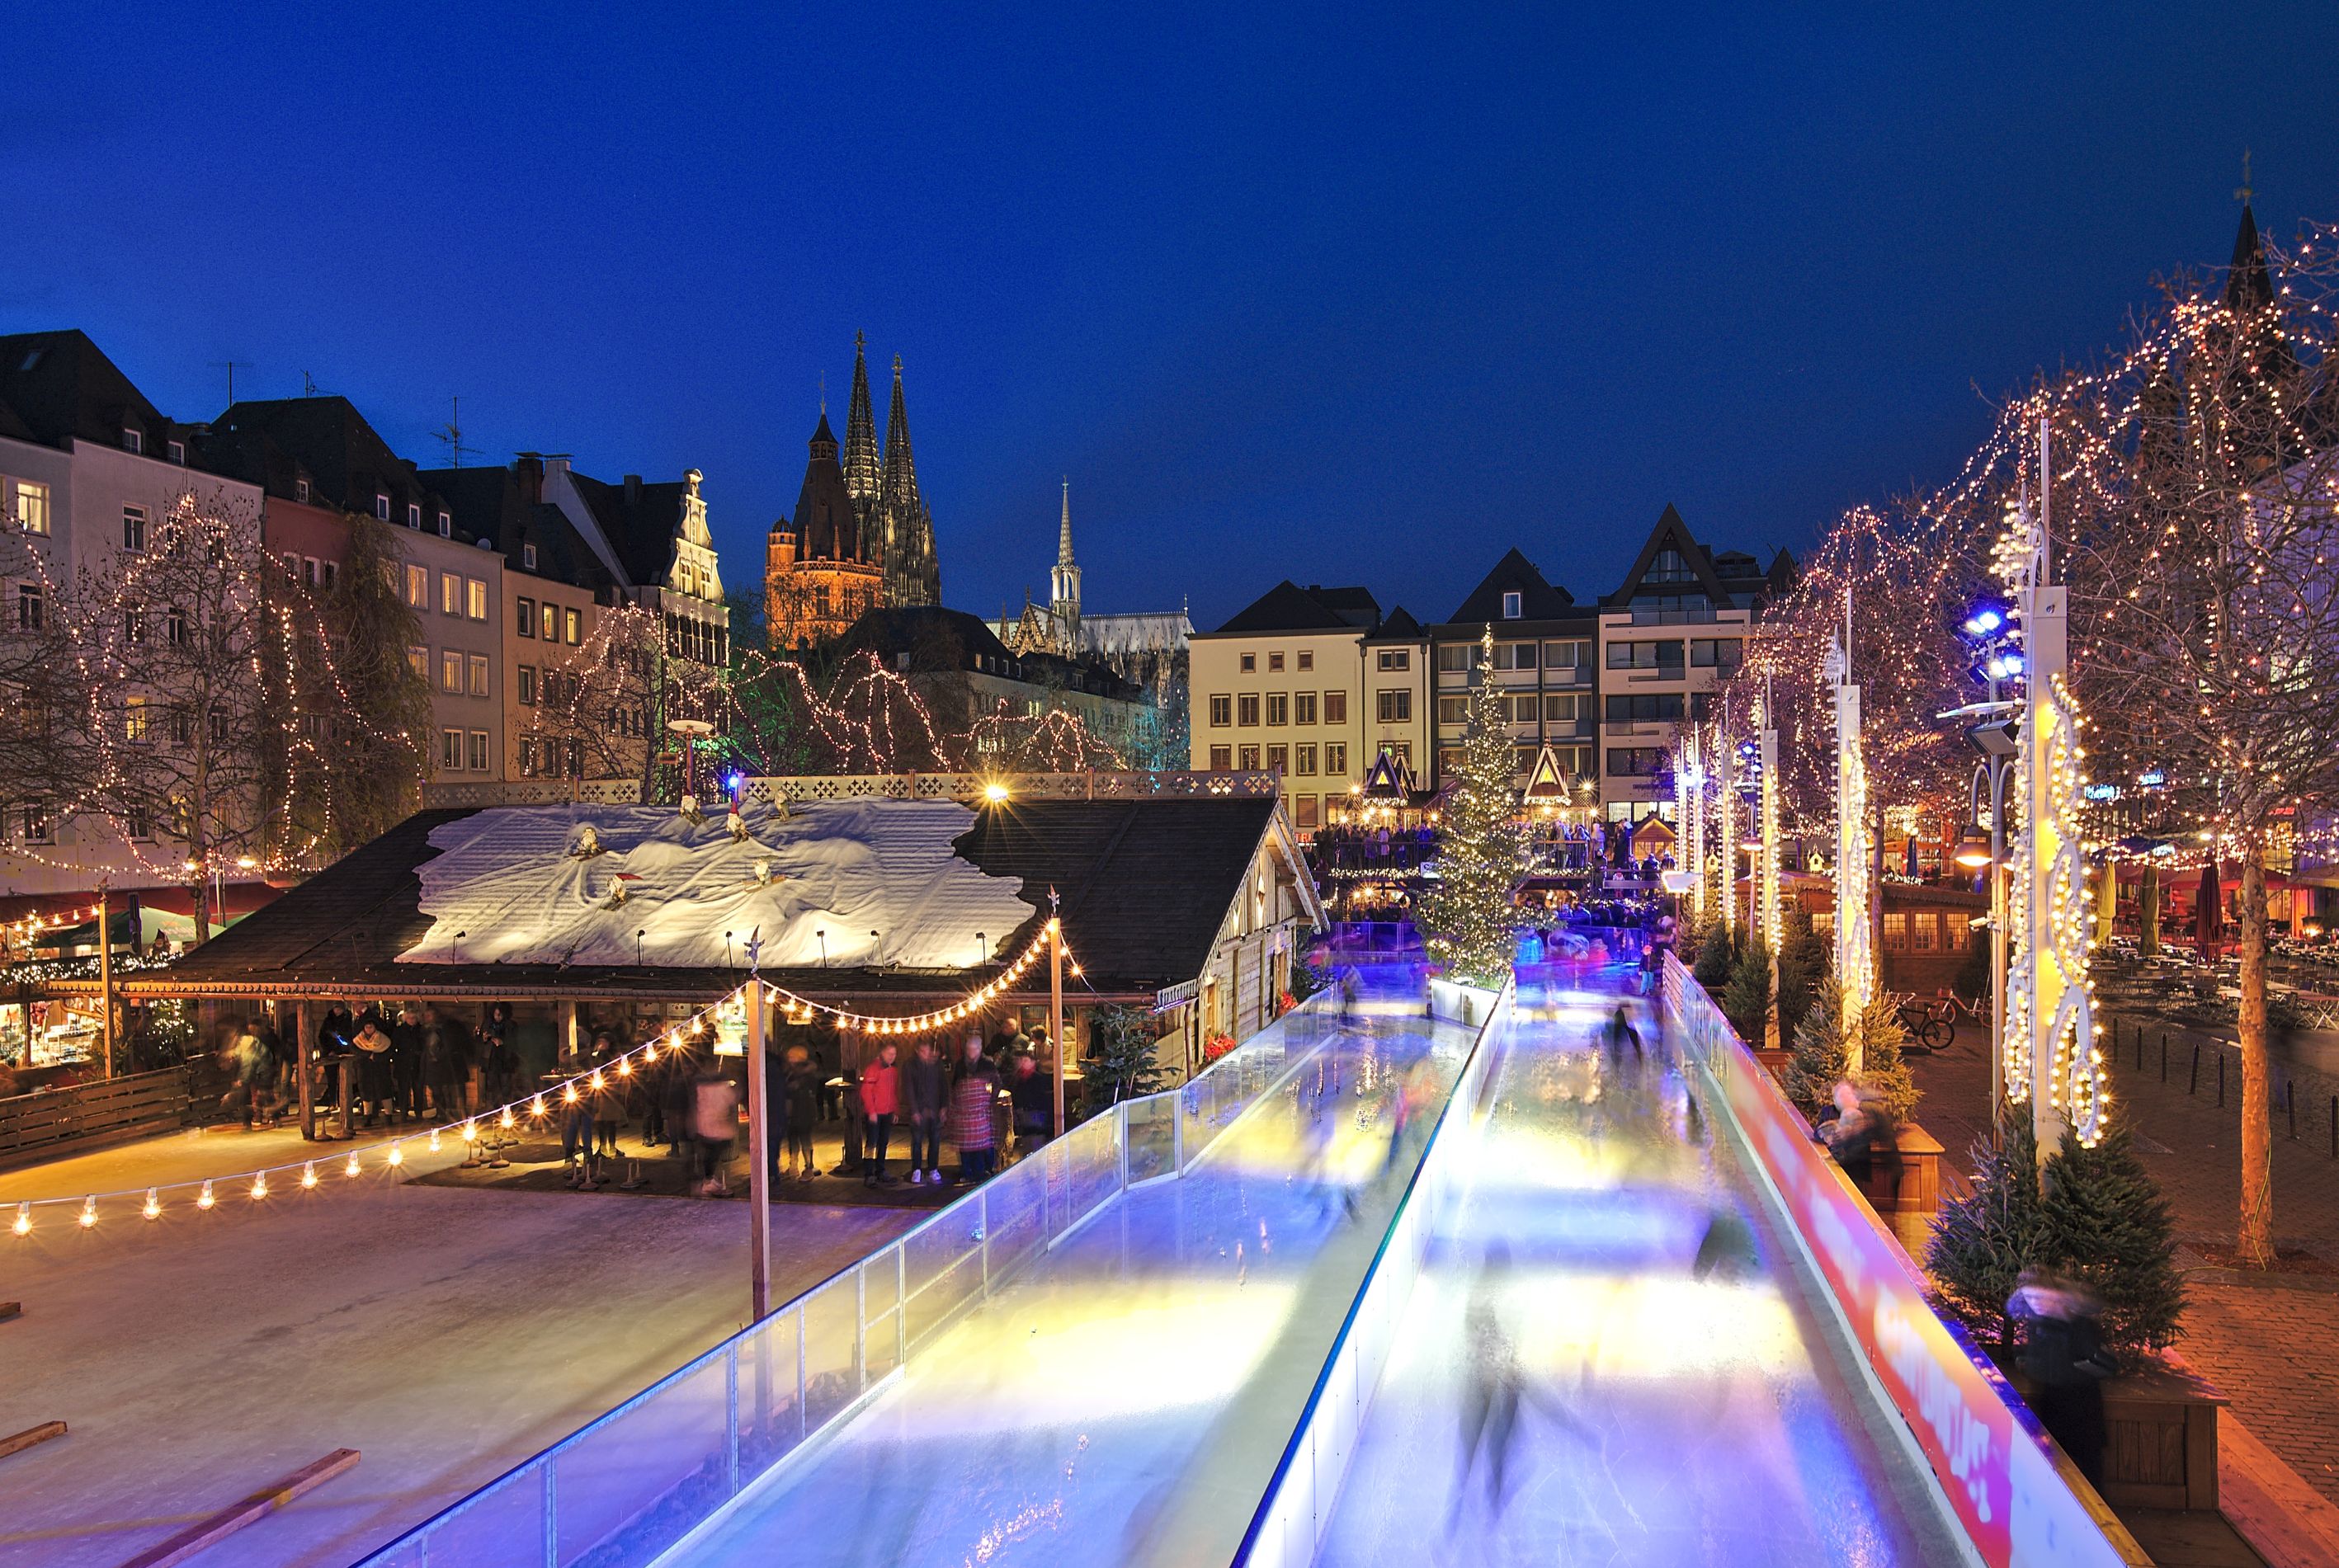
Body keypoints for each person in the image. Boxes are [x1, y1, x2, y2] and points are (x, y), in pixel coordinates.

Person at [2011, 1267, 2115, 1485]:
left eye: (2040, 1296)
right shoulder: (2038, 1323)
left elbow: (2107, 1365)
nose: (2035, 1302)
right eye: (2029, 1297)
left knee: (2088, 1481)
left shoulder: (2079, 1326)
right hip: (2050, 1415)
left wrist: (2065, 1369)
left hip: (2082, 1419)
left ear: (2056, 1296)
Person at [951, 1034, 1002, 1184]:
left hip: (982, 1111)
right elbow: (955, 1085)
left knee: (982, 1144)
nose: (971, 1053)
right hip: (964, 1112)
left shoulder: (987, 1064)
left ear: (980, 1049)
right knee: (966, 1145)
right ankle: (967, 1173)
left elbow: (997, 1082)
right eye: (968, 1049)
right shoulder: (961, 1064)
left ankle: (984, 1171)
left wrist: (991, 1100)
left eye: (974, 1050)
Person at [903, 1038, 948, 1184]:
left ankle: (933, 1168)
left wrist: (944, 1106)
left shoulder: (937, 1065)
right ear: (917, 1051)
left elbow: (943, 1087)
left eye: (928, 1051)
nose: (926, 1054)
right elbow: (909, 1089)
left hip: (935, 1109)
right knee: (917, 1141)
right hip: (919, 1110)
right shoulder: (910, 1065)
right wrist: (915, 1110)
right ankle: (916, 1169)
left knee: (935, 1140)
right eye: (923, 1052)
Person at [692, 1063, 739, 1197]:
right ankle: (708, 1181)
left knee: (709, 1155)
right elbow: (732, 1100)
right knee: (714, 1155)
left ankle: (709, 1179)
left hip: (703, 1125)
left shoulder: (700, 1088)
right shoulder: (722, 1089)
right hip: (718, 1127)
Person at [860, 1043, 901, 1185]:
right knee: (871, 1143)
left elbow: (895, 1092)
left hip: (888, 1111)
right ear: (882, 1053)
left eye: (894, 1054)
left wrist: (896, 1110)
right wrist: (871, 1111)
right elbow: (866, 1092)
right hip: (875, 1113)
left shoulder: (893, 1070)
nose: (892, 1057)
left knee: (883, 1142)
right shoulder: (873, 1069)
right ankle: (869, 1173)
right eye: (889, 1054)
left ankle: (881, 1169)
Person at [781, 1045, 820, 1181]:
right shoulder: (790, 1072)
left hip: (803, 1110)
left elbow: (794, 1089)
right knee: (793, 1139)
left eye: (792, 1056)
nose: (790, 1059)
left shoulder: (805, 1074)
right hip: (794, 1110)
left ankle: (809, 1168)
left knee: (804, 1139)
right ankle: (793, 1166)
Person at [351, 1010, 394, 1127]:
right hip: (365, 1069)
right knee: (366, 1093)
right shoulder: (358, 1040)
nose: (369, 1029)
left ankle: (388, 1117)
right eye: (367, 1027)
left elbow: (389, 1051)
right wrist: (367, 1055)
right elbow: (355, 1050)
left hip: (381, 1069)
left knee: (384, 1092)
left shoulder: (383, 1039)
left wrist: (376, 1057)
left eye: (371, 1027)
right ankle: (367, 1117)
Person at [1007, 1051, 1052, 1156]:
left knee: (1036, 1143)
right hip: (1024, 1114)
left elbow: (1043, 1099)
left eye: (1026, 1061)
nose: (1023, 1063)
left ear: (1033, 1062)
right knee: (1027, 1141)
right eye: (1022, 1061)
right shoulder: (1018, 1078)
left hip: (1036, 1114)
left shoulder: (1038, 1078)